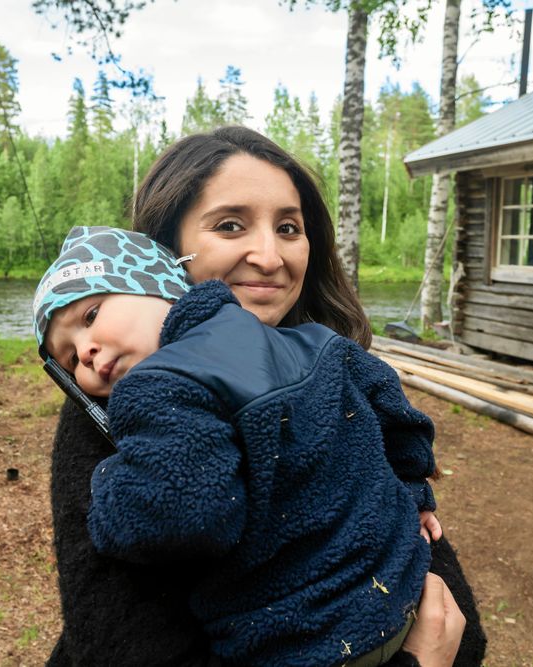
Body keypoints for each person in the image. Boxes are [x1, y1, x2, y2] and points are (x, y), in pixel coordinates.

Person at [46, 127, 485, 667]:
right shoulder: (119, 409)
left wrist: (415, 496)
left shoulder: (325, 355)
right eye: (230, 225)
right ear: (164, 251)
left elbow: (449, 606)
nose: (270, 256)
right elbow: (126, 642)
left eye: (289, 227)